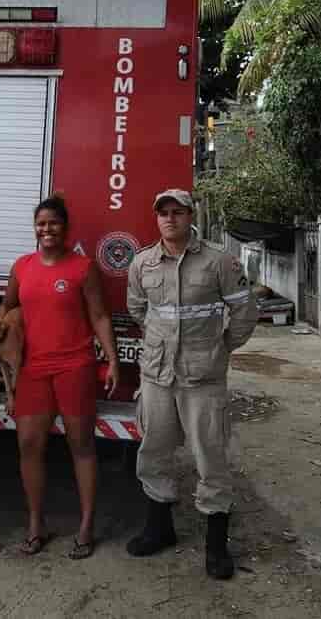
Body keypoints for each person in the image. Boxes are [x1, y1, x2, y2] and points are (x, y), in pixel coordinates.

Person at [126, 189, 258, 579]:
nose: (170, 219)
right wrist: (159, 344)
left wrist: (221, 350)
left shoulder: (219, 261)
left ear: (190, 215)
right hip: (157, 376)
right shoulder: (142, 264)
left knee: (210, 456)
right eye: (163, 213)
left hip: (203, 378)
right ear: (157, 218)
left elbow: (245, 311)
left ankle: (216, 546)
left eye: (177, 212)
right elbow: (138, 309)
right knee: (155, 450)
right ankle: (159, 529)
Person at [0, 195, 119, 559]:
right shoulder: (21, 267)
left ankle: (85, 527)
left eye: (53, 223)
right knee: (28, 445)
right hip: (33, 369)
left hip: (75, 367)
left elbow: (99, 316)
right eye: (40, 223)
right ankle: (36, 525)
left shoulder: (83, 268)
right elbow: (7, 308)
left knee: (81, 446)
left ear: (65, 228)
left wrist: (112, 359)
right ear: (34, 229)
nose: (46, 229)